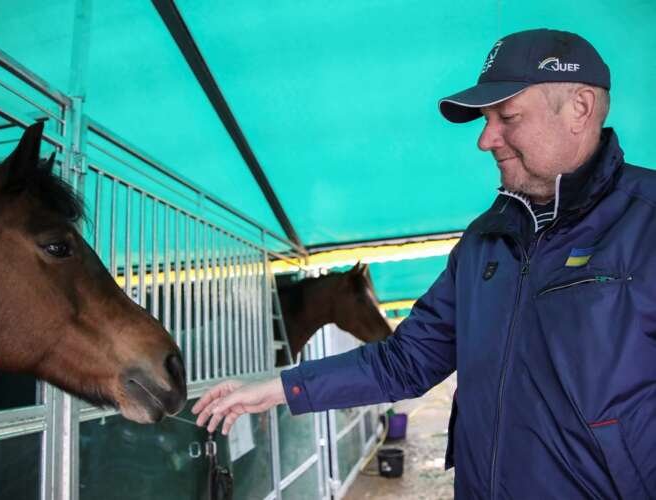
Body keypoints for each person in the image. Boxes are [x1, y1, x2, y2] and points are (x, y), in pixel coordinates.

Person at [193, 28, 656, 498]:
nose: (485, 139)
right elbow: (405, 360)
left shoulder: (648, 224)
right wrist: (282, 387)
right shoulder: (485, 243)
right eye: (485, 120)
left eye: (507, 116)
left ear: (579, 108)